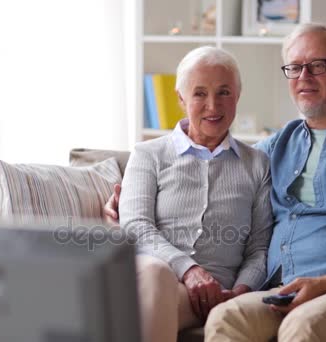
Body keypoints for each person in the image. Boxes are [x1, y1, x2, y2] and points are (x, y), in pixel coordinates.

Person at [105, 22, 326, 341]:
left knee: (304, 326)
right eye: (294, 67)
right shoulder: (274, 148)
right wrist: (120, 205)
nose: (304, 76)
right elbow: (214, 164)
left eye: (317, 65)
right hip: (284, 289)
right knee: (226, 318)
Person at [118, 46, 273, 342]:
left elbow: (259, 248)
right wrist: (189, 271)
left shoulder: (257, 164)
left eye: (224, 92)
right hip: (157, 276)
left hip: (216, 292)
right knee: (156, 276)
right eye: (200, 93)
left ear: (238, 96)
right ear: (181, 98)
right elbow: (135, 226)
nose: (213, 106)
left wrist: (239, 292)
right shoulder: (148, 154)